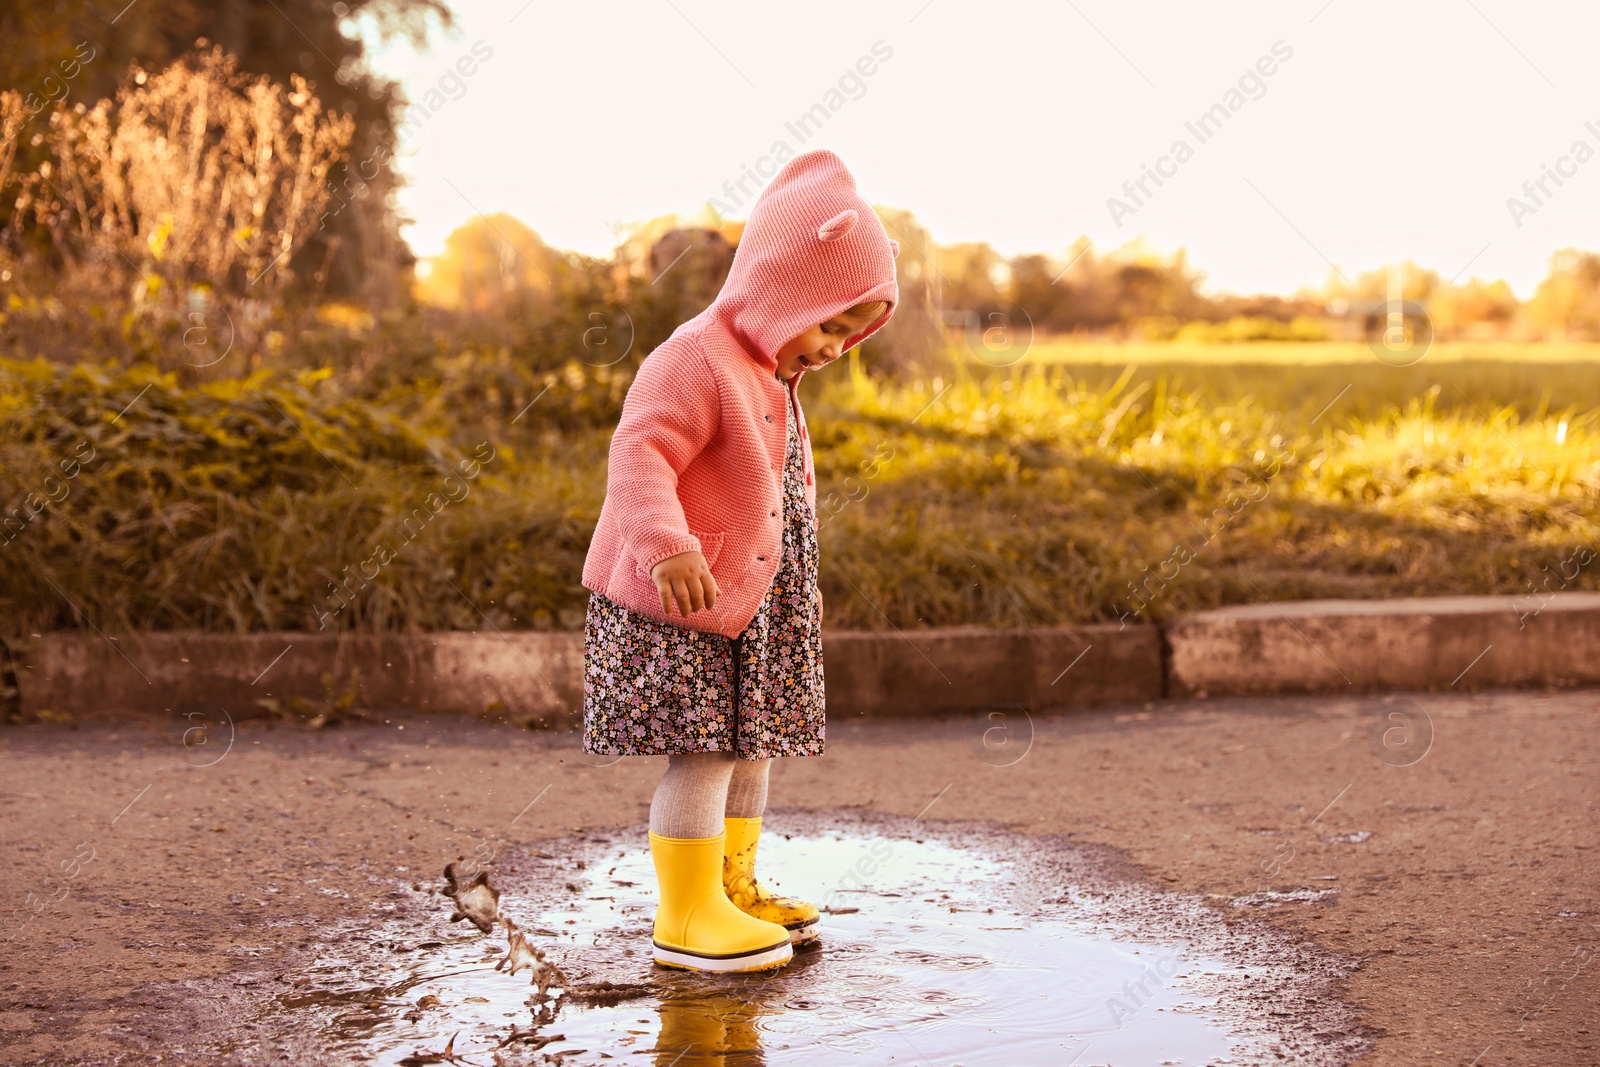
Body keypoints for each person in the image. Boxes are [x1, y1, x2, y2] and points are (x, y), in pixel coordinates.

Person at [579, 149, 899, 973]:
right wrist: (666, 546)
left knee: (752, 741)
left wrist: (802, 588)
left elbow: (778, 498)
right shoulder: (696, 356)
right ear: (779, 287)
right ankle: (686, 915)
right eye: (829, 324)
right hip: (686, 592)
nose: (834, 348)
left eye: (851, 334)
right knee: (707, 748)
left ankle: (732, 887)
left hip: (751, 602)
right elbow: (640, 450)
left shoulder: (769, 372)